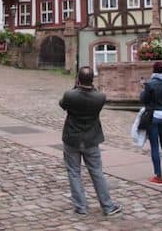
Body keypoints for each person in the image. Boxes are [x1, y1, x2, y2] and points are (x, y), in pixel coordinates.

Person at [59, 66, 122, 216]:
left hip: (72, 139)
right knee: (96, 172)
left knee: (74, 172)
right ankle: (107, 206)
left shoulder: (70, 95)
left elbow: (63, 104)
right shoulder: (100, 97)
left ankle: (81, 206)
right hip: (91, 139)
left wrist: (75, 87)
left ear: (78, 79)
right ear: (92, 80)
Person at [140, 61, 162, 185]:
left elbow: (143, 99)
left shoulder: (150, 84)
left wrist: (143, 89)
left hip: (153, 115)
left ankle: (158, 176)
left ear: (153, 71)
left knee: (155, 146)